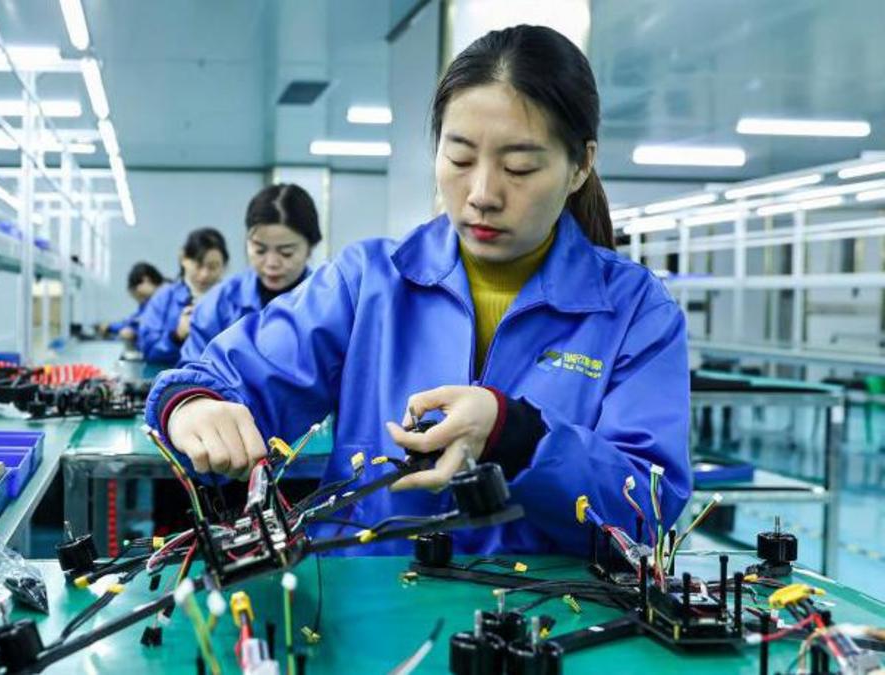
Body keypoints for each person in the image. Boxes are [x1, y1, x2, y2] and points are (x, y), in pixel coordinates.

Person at [144, 25, 691, 557]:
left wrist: (518, 434)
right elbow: (221, 380)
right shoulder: (368, 282)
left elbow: (651, 508)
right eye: (459, 158)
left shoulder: (635, 311)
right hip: (370, 620)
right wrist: (191, 406)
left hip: (547, 628)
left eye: (519, 167)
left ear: (580, 166)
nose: (482, 194)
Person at [179, 184, 322, 363]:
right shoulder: (218, 304)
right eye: (260, 250)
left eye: (286, 253)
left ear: (310, 248)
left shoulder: (327, 304)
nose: (271, 264)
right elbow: (192, 373)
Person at [137, 228, 229, 364]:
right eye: (198, 265)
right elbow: (148, 351)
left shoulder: (233, 301)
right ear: (184, 260)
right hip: (174, 382)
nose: (204, 274)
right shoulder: (164, 298)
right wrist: (176, 336)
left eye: (213, 267)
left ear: (224, 266)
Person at [105, 262, 165, 342]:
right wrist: (111, 327)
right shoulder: (151, 301)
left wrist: (136, 335)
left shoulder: (165, 298)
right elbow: (136, 320)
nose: (138, 297)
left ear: (146, 280)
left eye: (136, 292)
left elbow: (156, 331)